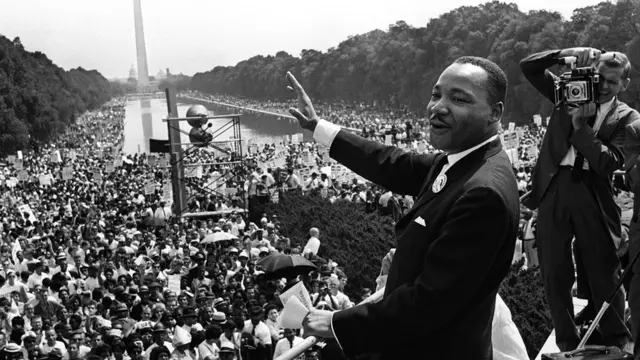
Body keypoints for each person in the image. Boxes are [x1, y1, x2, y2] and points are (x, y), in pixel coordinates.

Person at [287, 56, 520, 359]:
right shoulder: (461, 161)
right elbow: (390, 162)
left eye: (459, 99)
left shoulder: (482, 192)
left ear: (494, 113)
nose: (438, 106)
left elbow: (429, 302)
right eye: (436, 94)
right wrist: (318, 128)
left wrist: (335, 322)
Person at [521, 47, 635, 352]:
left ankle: (617, 337)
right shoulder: (568, 92)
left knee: (604, 268)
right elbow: (528, 67)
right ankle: (567, 340)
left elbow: (608, 163)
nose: (604, 86)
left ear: (625, 83)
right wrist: (564, 53)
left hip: (593, 190)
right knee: (554, 270)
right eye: (600, 78)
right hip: (554, 186)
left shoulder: (629, 118)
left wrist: (578, 127)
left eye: (612, 82)